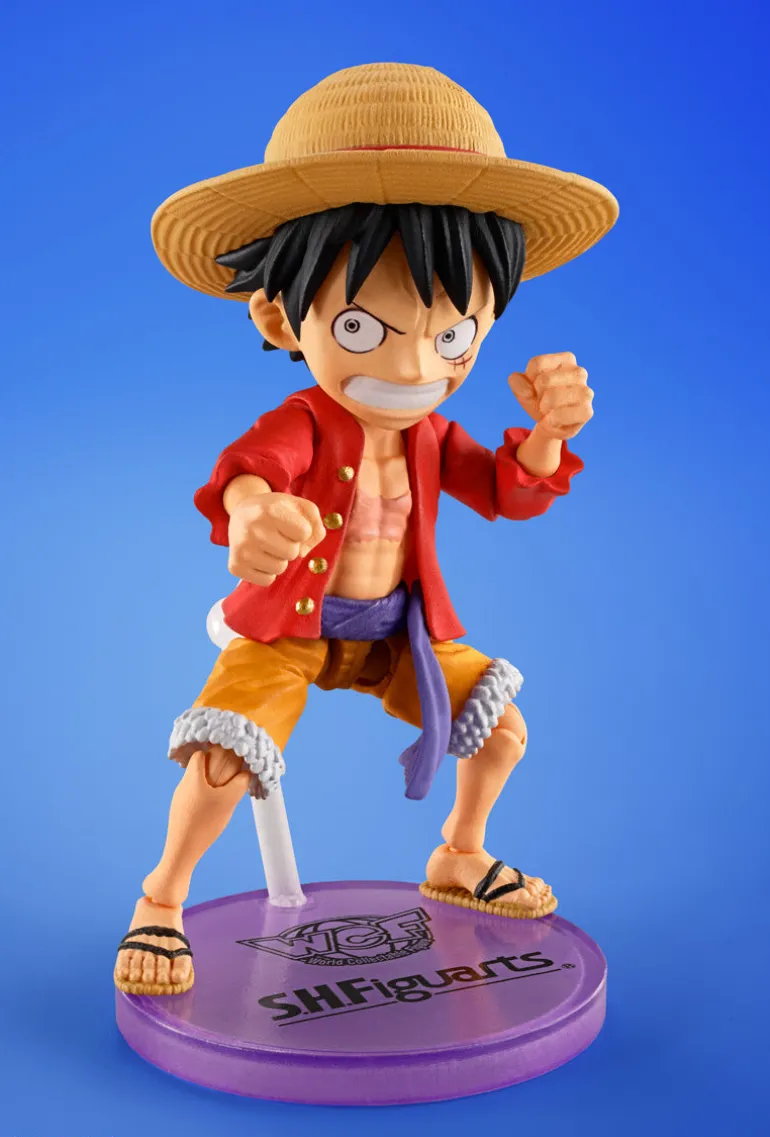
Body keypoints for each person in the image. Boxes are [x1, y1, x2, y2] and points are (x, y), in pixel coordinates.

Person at [114, 62, 618, 996]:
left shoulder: (431, 433)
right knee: (224, 758)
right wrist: (253, 515)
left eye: (454, 336)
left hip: (399, 638)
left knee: (500, 726)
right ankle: (162, 899)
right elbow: (247, 474)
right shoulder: (304, 422)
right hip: (287, 636)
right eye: (360, 329)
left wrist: (549, 436)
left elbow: (506, 492)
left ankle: (459, 853)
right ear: (279, 316)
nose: (416, 366)